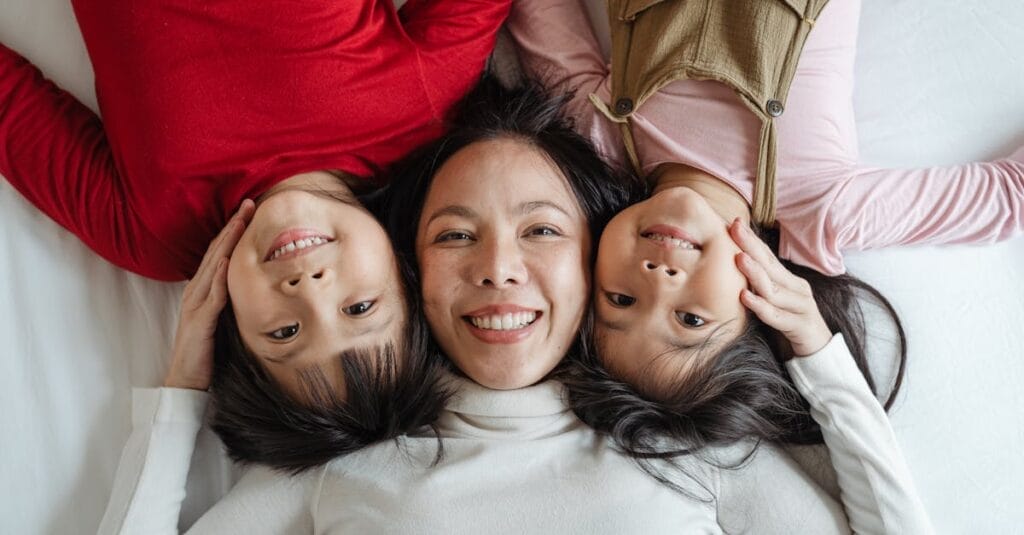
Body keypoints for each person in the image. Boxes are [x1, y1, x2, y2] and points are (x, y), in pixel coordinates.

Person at [98, 76, 920, 534]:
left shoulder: (682, 449)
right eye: (454, 237)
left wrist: (815, 349)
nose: (498, 269)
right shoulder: (349, 457)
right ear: (407, 277)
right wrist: (179, 388)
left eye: (542, 231)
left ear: (601, 256)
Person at [508, 0, 1022, 495]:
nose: (656, 277)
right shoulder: (822, 206)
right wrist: (811, 341)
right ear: (762, 311)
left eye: (620, 300)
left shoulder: (596, 135)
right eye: (691, 320)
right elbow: (1009, 194)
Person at [0, 0, 510, 466]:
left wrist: (183, 381)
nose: (308, 288)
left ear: (234, 328)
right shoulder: (419, 112)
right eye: (359, 308)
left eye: (283, 333)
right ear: (405, 272)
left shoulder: (155, 234)